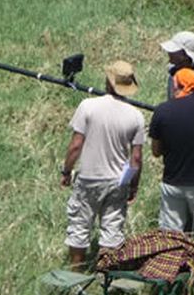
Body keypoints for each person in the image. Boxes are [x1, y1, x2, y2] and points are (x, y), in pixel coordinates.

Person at [60, 60, 146, 271]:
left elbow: (75, 145)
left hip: (89, 178)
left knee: (80, 227)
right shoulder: (136, 116)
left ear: (108, 82)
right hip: (118, 181)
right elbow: (136, 159)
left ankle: (76, 275)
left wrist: (66, 170)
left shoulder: (88, 106)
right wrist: (133, 185)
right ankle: (106, 276)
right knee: (112, 231)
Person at [149, 67, 194, 258]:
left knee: (171, 234)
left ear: (176, 86)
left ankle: (172, 271)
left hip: (172, 180)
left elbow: (156, 151)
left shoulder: (162, 111)